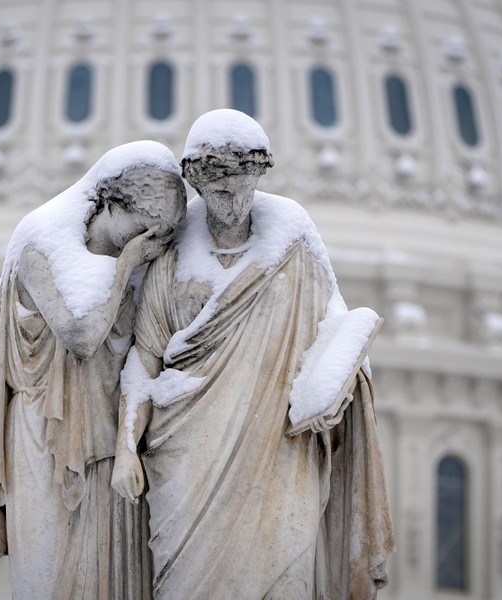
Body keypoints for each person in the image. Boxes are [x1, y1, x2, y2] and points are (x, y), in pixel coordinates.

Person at [111, 110, 395, 599]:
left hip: (279, 455)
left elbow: (334, 334)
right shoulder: (173, 258)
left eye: (244, 185)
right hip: (187, 460)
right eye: (220, 190)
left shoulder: (295, 246)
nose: (234, 200)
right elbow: (145, 359)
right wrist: (125, 448)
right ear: (197, 185)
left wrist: (339, 387)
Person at [0, 140, 186, 599]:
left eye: (157, 236)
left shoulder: (142, 258)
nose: (147, 244)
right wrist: (127, 264)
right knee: (54, 580)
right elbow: (82, 337)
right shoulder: (40, 245)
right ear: (109, 203)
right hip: (47, 439)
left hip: (111, 443)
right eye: (141, 230)